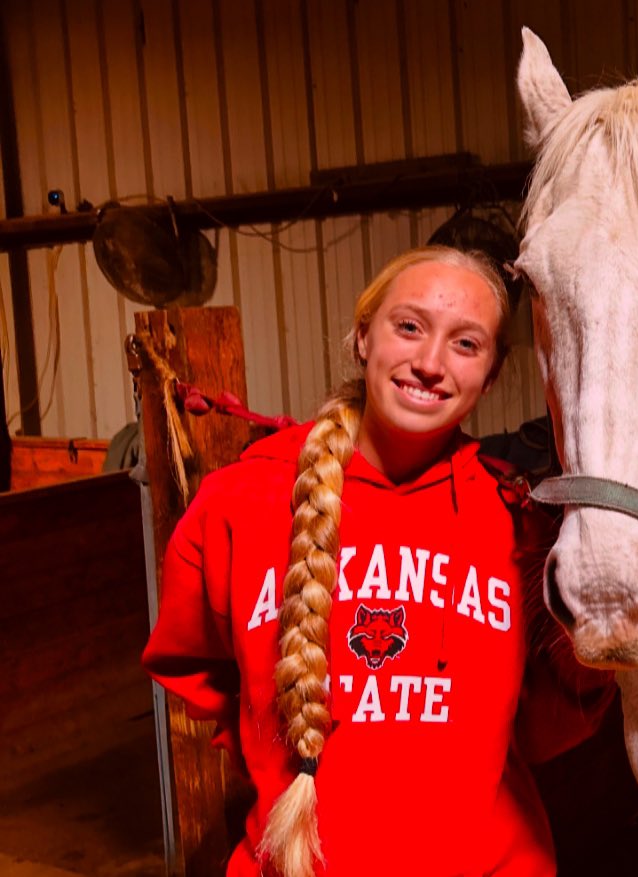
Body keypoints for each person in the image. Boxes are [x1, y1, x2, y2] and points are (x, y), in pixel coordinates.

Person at [143, 245, 614, 877]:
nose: (429, 364)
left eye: (466, 344)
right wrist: (280, 756)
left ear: (493, 373)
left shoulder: (520, 520)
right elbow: (196, 671)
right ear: (363, 337)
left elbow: (554, 715)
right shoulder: (240, 502)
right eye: (409, 326)